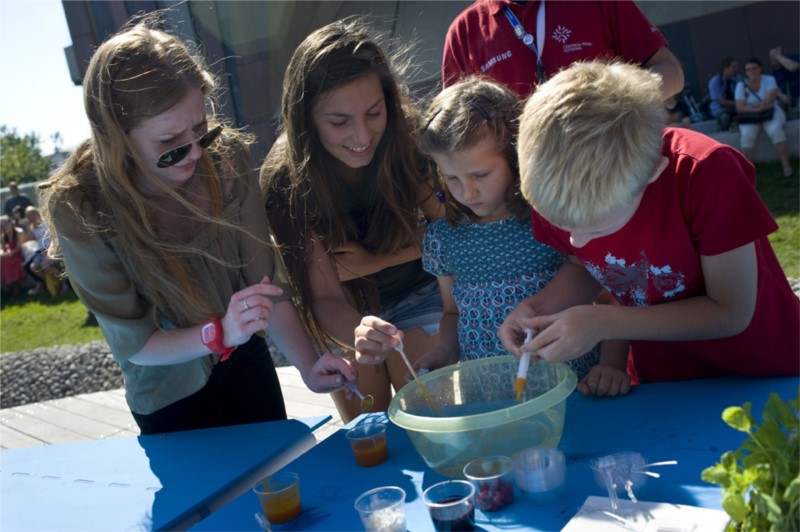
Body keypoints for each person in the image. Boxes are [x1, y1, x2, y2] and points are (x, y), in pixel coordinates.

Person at [39, 16, 355, 435]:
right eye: (169, 145)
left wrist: (311, 366)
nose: (192, 154)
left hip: (245, 362)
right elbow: (136, 343)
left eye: (200, 130)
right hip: (168, 394)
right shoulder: (80, 206)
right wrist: (219, 332)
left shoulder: (225, 159)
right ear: (116, 137)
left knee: (278, 487)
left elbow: (265, 284)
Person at [498, 60, 799, 384]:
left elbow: (731, 311)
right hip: (666, 383)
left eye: (596, 228)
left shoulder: (708, 174)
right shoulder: (562, 194)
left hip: (764, 370)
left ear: (653, 172)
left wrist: (606, 321)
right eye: (563, 226)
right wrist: (537, 308)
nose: (577, 241)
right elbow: (583, 265)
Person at [356, 76, 630, 396]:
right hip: (487, 396)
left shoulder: (552, 221)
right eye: (452, 178)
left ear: (516, 157)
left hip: (571, 384)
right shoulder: (444, 238)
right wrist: (446, 350)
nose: (467, 191)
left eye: (481, 174)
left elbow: (607, 294)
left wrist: (611, 364)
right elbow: (452, 312)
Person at [260, 19, 445, 423]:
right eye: (339, 122)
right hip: (345, 312)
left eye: (374, 112)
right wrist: (363, 333)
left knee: (429, 409)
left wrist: (376, 261)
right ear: (305, 119)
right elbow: (325, 295)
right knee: (368, 424)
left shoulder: (410, 141)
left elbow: (456, 236)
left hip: (423, 293)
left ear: (389, 102)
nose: (362, 135)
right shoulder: (285, 180)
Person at [442, 0, 684, 101]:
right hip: (524, 190)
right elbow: (456, 125)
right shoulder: (463, 32)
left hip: (613, 165)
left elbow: (671, 73)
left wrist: (616, 102)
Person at [735, 58, 793, 178]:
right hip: (751, 116)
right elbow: (739, 107)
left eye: (754, 68)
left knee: (775, 129)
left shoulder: (769, 80)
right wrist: (756, 109)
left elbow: (768, 102)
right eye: (748, 69)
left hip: (770, 113)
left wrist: (752, 106)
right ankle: (748, 174)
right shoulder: (741, 85)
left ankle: (786, 165)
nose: (751, 71)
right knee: (747, 136)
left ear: (760, 69)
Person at [707, 57, 741, 131]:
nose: (736, 69)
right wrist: (737, 103)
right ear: (726, 68)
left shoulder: (738, 79)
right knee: (724, 117)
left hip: (737, 107)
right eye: (734, 67)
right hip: (720, 109)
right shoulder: (715, 81)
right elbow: (720, 101)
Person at [1, 214, 28, 298]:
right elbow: (3, 248)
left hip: (20, 254)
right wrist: (3, 253)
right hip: (10, 255)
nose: (5, 226)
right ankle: (13, 287)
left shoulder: (18, 232)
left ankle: (15, 289)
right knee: (3, 262)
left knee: (14, 263)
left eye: (6, 224)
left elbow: (19, 247)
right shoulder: (3, 236)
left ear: (11, 223)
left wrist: (10, 253)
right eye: (3, 225)